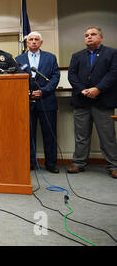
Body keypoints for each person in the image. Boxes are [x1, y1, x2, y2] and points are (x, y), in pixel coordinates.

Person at [67, 27, 117, 179]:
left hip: (103, 100)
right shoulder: (77, 56)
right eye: (86, 35)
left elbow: (114, 73)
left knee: (107, 135)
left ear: (101, 37)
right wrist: (83, 90)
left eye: (93, 34)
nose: (89, 37)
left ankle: (114, 165)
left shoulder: (112, 53)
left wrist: (98, 89)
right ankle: (78, 163)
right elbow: (72, 75)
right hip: (82, 101)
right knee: (81, 136)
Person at [15, 31, 60, 173]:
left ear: (41, 42)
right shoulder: (18, 59)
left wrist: (43, 91)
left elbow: (55, 77)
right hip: (26, 101)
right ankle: (30, 162)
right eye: (30, 39)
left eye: (36, 39)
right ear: (26, 43)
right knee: (28, 134)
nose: (33, 42)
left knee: (50, 134)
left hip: (46, 101)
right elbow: (15, 78)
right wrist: (27, 92)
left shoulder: (50, 57)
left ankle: (51, 163)